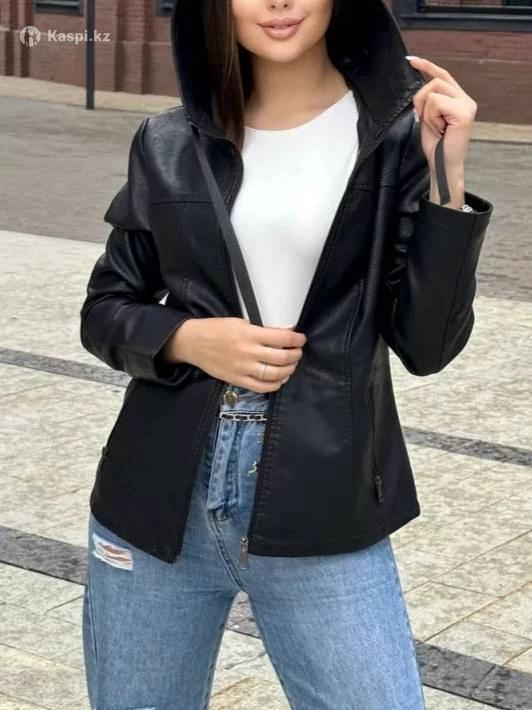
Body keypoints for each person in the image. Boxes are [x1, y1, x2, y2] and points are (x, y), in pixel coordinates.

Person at [79, 0, 493, 707]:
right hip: (155, 500)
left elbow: (428, 347)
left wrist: (446, 177)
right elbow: (105, 308)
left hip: (322, 498)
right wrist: (187, 338)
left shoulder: (396, 139)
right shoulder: (168, 140)